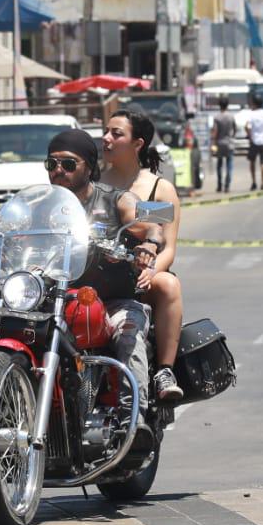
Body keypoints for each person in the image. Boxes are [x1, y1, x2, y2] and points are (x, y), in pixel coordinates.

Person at [44, 128, 169, 402]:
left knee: (128, 338)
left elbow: (154, 226)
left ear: (88, 167)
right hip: (55, 301)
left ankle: (133, 418)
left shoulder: (116, 199)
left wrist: (149, 244)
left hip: (113, 301)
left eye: (67, 163)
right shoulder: (42, 205)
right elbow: (12, 233)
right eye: (51, 164)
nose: (58, 171)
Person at [101, 109, 185, 402]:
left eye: (116, 133)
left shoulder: (157, 189)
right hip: (95, 277)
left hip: (139, 279)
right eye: (106, 131)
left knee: (168, 284)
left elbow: (168, 247)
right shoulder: (92, 183)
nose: (106, 139)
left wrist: (149, 272)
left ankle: (164, 369)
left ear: (137, 144)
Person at [211, 97, 238, 193]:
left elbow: (215, 131)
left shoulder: (217, 117)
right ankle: (227, 186)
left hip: (219, 143)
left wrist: (213, 142)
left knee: (219, 164)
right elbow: (235, 129)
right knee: (229, 165)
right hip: (229, 143)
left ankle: (219, 185)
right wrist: (232, 137)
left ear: (219, 105)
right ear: (227, 105)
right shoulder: (231, 116)